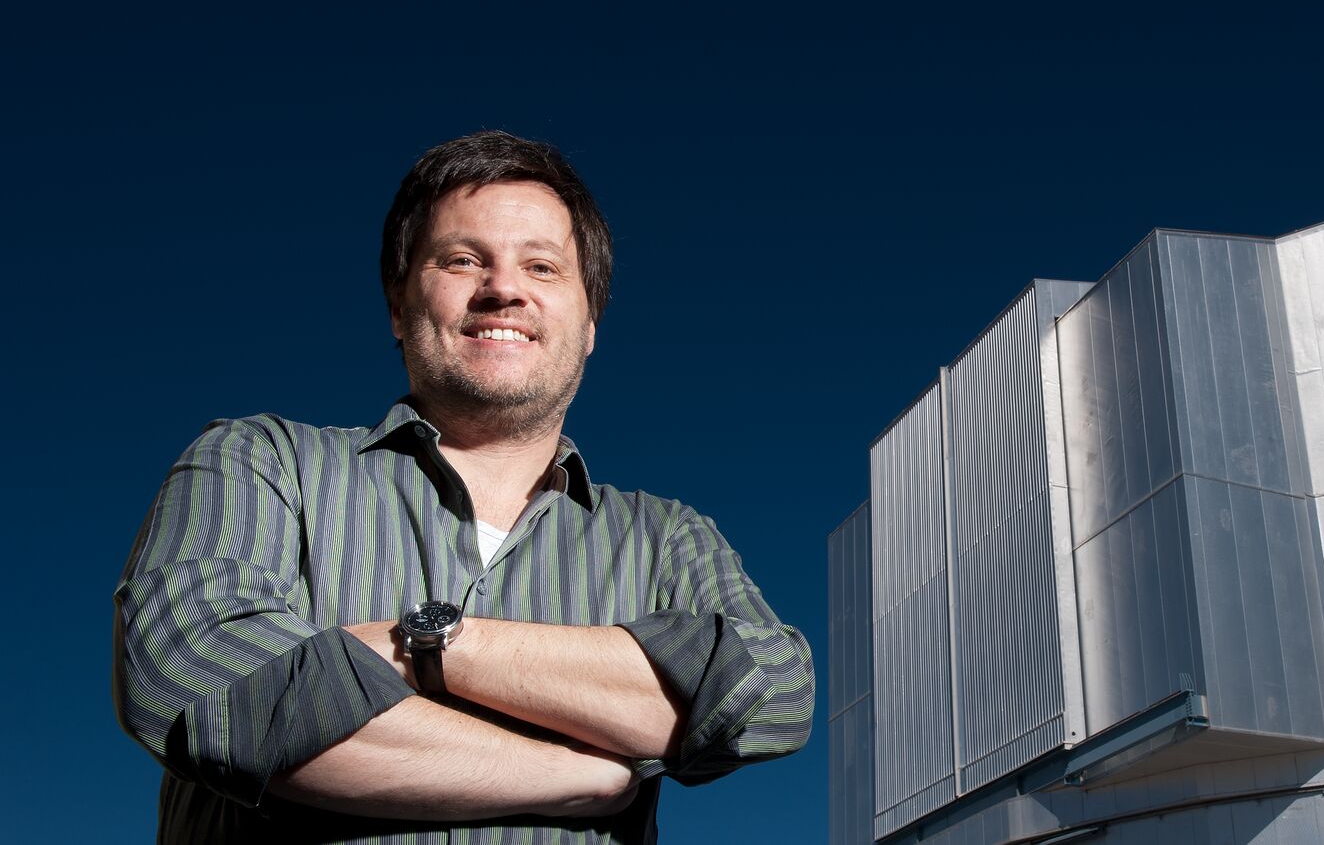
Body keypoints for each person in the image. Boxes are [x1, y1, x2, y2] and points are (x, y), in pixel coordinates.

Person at [112, 131, 813, 843]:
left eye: (542, 267)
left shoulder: (667, 539)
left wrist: (432, 648)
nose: (504, 289)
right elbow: (197, 681)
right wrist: (583, 774)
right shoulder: (259, 463)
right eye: (462, 260)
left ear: (591, 323)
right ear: (397, 304)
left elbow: (771, 694)